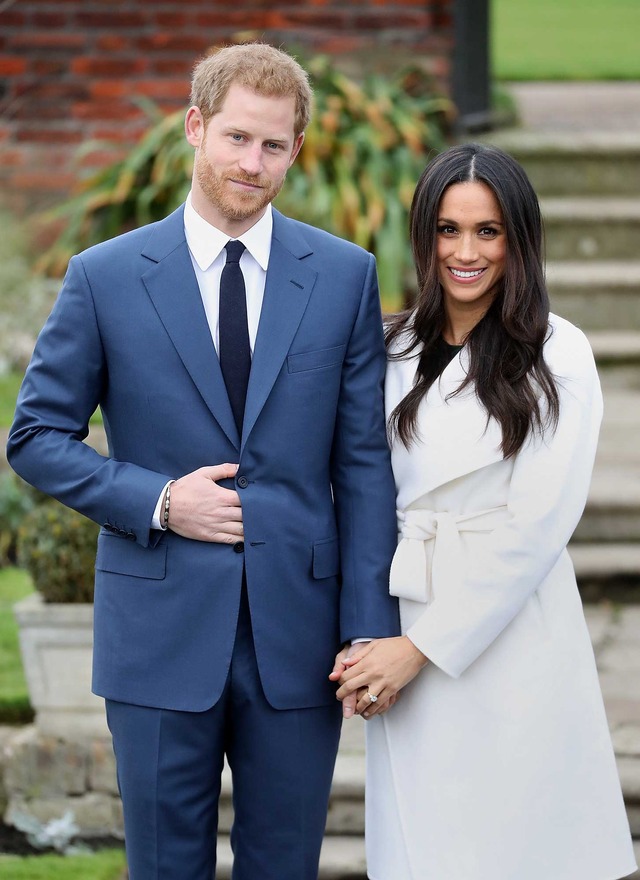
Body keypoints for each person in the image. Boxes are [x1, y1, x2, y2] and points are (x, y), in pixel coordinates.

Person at [7, 42, 400, 880]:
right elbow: (35, 437)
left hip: (299, 637)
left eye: (273, 145)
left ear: (296, 151)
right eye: (236, 138)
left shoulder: (343, 277)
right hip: (156, 634)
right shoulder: (104, 277)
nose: (251, 163)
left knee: (284, 866)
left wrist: (370, 626)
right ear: (195, 128)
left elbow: (364, 466)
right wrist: (157, 502)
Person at [335, 143, 637, 880]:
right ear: (423, 237)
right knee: (423, 848)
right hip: (402, 615)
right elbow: (357, 490)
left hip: (506, 633)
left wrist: (420, 649)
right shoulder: (389, 345)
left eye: (487, 231)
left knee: (514, 846)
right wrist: (367, 635)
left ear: (519, 240)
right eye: (447, 229)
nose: (465, 252)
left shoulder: (557, 352)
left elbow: (535, 527)